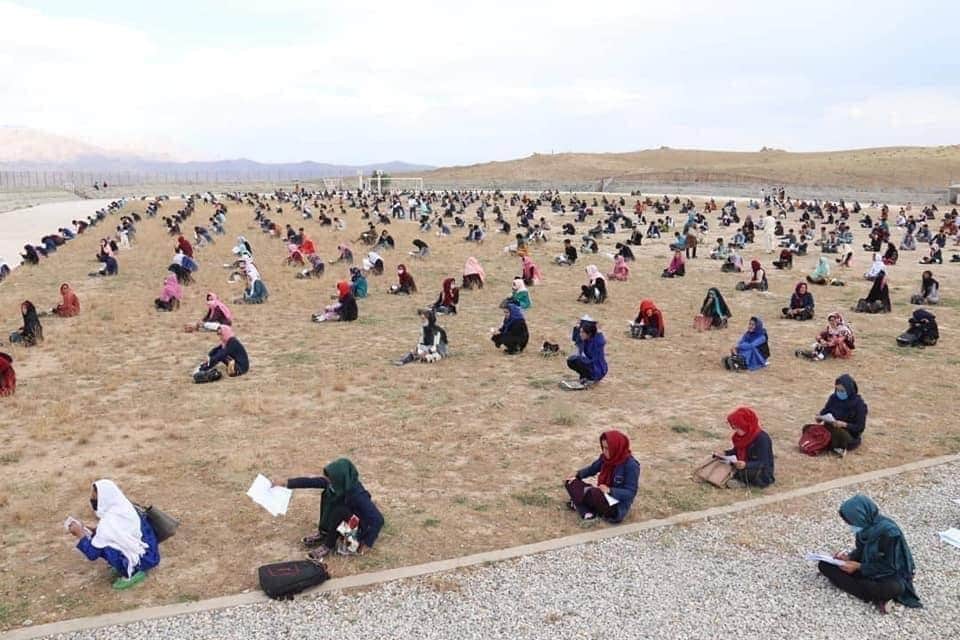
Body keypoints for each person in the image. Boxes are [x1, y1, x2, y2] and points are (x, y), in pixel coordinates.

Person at [817, 494, 921, 612]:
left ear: (861, 516)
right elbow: (861, 550)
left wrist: (859, 567)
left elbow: (891, 567)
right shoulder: (864, 527)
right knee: (824, 565)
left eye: (852, 522)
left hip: (891, 574)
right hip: (869, 566)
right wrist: (849, 557)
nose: (851, 526)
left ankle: (871, 593)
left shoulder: (890, 533)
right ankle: (876, 596)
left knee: (894, 588)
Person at [281, 458, 384, 560]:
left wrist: (367, 543)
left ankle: (328, 545)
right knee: (328, 495)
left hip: (356, 527)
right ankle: (324, 533)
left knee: (340, 511)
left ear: (340, 478)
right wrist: (287, 483)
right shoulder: (337, 484)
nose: (327, 481)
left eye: (330, 479)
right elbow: (311, 482)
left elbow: (378, 519)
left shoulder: (358, 495)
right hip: (344, 521)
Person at [67, 479, 160, 590]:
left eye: (94, 497)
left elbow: (92, 554)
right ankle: (128, 563)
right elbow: (119, 531)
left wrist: (80, 535)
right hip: (150, 553)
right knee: (103, 540)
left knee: (106, 547)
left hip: (142, 560)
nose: (92, 500)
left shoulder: (108, 523)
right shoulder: (125, 507)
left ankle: (131, 572)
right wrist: (92, 530)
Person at [564, 430, 640, 522]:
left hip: (615, 505)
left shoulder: (631, 465)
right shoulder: (604, 458)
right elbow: (592, 469)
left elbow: (630, 492)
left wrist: (610, 490)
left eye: (608, 448)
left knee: (593, 493)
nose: (604, 451)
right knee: (570, 482)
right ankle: (585, 508)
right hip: (601, 493)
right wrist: (577, 475)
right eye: (603, 447)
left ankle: (580, 505)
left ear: (616, 447)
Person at [713, 407, 775, 488]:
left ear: (746, 425)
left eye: (737, 427)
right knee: (720, 462)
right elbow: (736, 451)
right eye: (733, 427)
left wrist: (746, 465)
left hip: (758, 470)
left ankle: (741, 482)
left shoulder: (762, 438)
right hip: (742, 464)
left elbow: (763, 462)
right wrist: (725, 453)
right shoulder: (741, 437)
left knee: (744, 472)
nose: (735, 430)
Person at [814, 374, 867, 455]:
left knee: (838, 433)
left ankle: (833, 445)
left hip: (848, 434)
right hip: (830, 427)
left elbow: (860, 427)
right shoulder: (833, 398)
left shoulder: (859, 404)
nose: (839, 393)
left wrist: (844, 425)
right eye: (837, 390)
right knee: (809, 428)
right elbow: (825, 411)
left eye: (842, 391)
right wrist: (819, 417)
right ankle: (830, 444)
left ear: (849, 390)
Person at [565, 315, 608, 388]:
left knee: (577, 359)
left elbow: (600, 337)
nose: (580, 334)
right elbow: (576, 337)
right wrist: (579, 324)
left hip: (598, 369)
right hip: (590, 364)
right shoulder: (585, 338)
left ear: (589, 333)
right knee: (571, 360)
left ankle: (592, 379)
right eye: (580, 332)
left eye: (582, 332)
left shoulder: (597, 342)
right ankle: (586, 377)